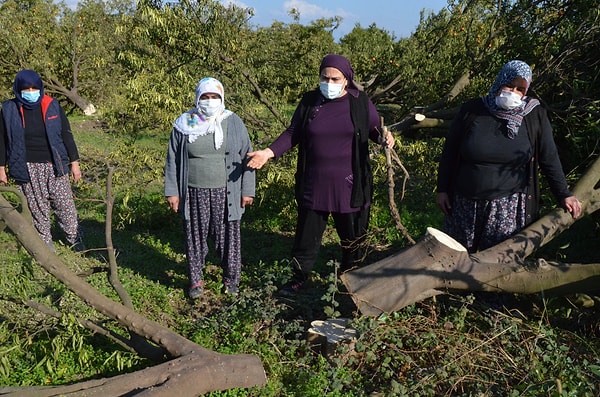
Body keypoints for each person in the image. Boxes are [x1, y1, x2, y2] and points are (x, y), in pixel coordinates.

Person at [247, 54, 394, 295]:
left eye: (335, 78)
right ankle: (298, 277)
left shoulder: (360, 103)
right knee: (307, 236)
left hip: (350, 184)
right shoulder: (310, 102)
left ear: (346, 80)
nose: (329, 82)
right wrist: (269, 152)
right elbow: (293, 133)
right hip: (315, 183)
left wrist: (386, 137)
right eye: (325, 77)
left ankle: (351, 279)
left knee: (353, 237)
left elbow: (375, 130)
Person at [436, 60, 581, 253]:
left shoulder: (533, 115)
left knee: (496, 264)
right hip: (465, 204)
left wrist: (564, 194)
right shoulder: (473, 110)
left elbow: (549, 157)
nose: (513, 92)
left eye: (520, 89)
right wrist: (442, 189)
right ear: (499, 82)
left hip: (507, 208)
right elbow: (450, 152)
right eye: (509, 85)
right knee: (455, 259)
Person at [164, 77, 255, 299]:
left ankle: (231, 279)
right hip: (194, 191)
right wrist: (172, 191)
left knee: (228, 238)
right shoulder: (186, 122)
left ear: (222, 98)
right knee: (195, 236)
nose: (210, 101)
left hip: (227, 192)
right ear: (197, 98)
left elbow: (247, 156)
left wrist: (247, 190)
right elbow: (172, 159)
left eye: (215, 97)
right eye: (205, 97)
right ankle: (195, 279)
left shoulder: (233, 122)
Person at [0, 69, 84, 252]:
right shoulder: (8, 109)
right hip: (26, 166)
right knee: (38, 208)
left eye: (34, 88)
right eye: (26, 89)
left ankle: (75, 240)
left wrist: (75, 163)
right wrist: (1, 168)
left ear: (40, 87)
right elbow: (3, 140)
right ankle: (46, 247)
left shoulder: (52, 105)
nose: (31, 92)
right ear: (18, 89)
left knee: (65, 205)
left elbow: (67, 136)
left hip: (55, 163)